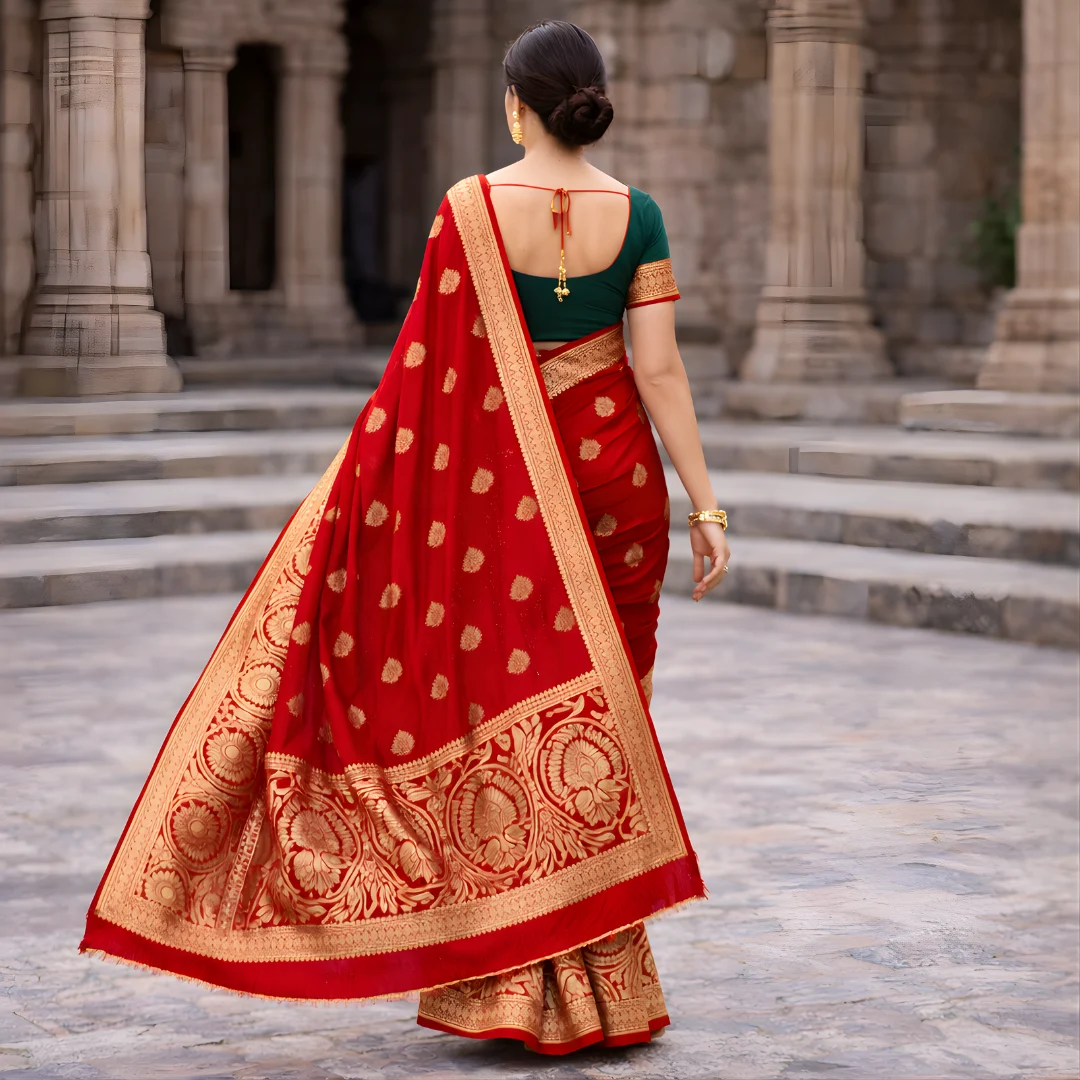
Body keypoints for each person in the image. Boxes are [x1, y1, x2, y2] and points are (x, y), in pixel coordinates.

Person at [80, 19, 730, 1057]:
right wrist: (705, 504)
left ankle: (511, 981)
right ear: (591, 100)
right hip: (615, 488)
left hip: (505, 494)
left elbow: (421, 386)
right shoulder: (637, 213)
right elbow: (657, 374)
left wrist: (354, 494)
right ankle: (606, 977)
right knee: (607, 715)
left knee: (500, 707)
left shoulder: (469, 211)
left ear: (516, 104)